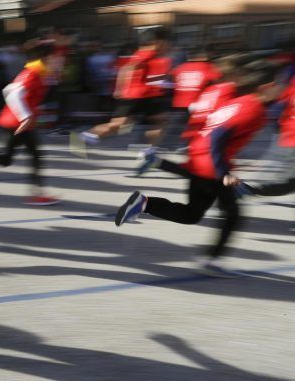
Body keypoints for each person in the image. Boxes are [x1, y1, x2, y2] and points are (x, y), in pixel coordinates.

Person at [115, 60, 281, 277]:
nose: (281, 89)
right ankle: (212, 260)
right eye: (278, 85)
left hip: (200, 156)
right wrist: (223, 173)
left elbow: (212, 129)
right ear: (266, 87)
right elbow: (218, 136)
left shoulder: (238, 101)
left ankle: (144, 203)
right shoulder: (254, 108)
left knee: (191, 214)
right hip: (211, 165)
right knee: (233, 214)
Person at [0, 38, 62, 205]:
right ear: (47, 57)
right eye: (57, 56)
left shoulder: (39, 72)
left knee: (7, 159)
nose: (60, 59)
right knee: (31, 156)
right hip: (16, 123)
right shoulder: (32, 73)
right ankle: (37, 194)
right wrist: (25, 116)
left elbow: (8, 89)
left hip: (17, 122)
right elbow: (13, 94)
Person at [79, 29, 171, 147]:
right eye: (165, 42)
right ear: (158, 42)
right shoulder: (147, 52)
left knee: (159, 120)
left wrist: (164, 82)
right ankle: (87, 135)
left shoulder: (155, 55)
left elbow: (150, 77)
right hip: (134, 95)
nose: (167, 46)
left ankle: (149, 150)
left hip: (148, 95)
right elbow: (126, 69)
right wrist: (119, 89)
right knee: (120, 125)